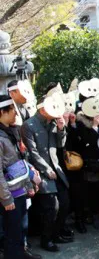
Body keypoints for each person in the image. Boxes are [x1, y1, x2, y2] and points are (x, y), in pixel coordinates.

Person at [21, 96, 71, 252]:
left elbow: (60, 145)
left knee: (64, 202)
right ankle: (46, 239)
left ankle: (56, 234)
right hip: (41, 171)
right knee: (51, 206)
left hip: (56, 168)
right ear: (42, 109)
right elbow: (32, 152)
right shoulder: (29, 125)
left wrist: (62, 129)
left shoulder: (54, 123)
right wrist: (46, 170)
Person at [0, 95, 40, 259]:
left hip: (19, 190)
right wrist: (6, 198)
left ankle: (21, 253)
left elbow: (20, 162)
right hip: (9, 194)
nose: (16, 114)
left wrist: (28, 186)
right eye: (12, 111)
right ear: (2, 112)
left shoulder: (11, 132)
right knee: (12, 232)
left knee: (21, 228)